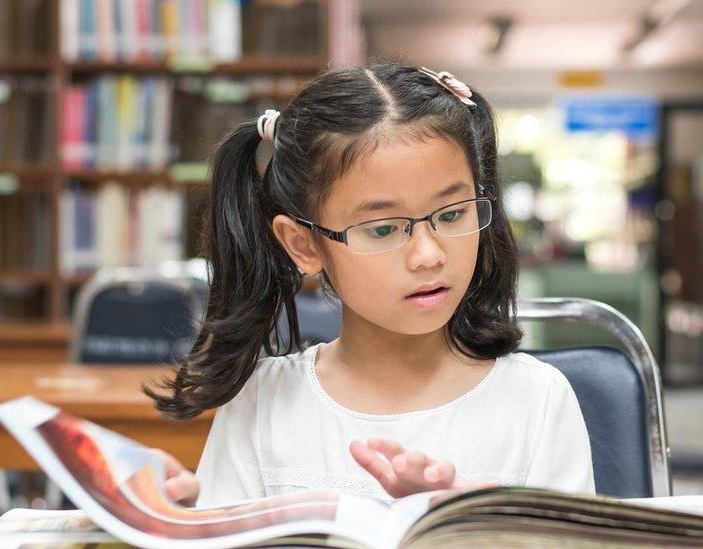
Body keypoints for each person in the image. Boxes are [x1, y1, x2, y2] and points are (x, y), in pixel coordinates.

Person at [146, 62, 594, 506]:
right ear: (304, 245)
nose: (429, 255)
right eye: (383, 229)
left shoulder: (537, 400)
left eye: (453, 214)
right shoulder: (263, 401)